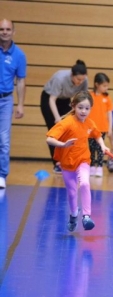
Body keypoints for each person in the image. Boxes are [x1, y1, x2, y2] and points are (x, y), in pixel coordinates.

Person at [46, 91, 110, 231]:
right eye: (80, 107)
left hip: (83, 161)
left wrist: (103, 145)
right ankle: (74, 214)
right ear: (73, 106)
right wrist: (63, 145)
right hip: (67, 164)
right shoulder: (67, 123)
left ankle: (86, 216)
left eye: (87, 108)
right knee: (72, 193)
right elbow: (49, 139)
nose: (83, 111)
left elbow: (97, 135)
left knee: (85, 183)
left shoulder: (89, 123)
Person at [41, 60, 88, 173]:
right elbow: (52, 100)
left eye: (82, 79)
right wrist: (57, 118)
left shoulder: (84, 80)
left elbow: (83, 98)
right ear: (72, 75)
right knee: (55, 132)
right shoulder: (60, 78)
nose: (80, 82)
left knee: (69, 130)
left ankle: (69, 161)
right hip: (49, 99)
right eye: (78, 79)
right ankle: (57, 163)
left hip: (65, 100)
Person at [0, 19, 26, 190]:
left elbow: (21, 81)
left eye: (8, 29)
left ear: (13, 32)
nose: (4, 32)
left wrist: (20, 104)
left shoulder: (19, 55)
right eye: (1, 29)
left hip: (6, 100)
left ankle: (1, 175)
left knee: (3, 139)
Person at [87, 73, 113, 177]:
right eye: (104, 85)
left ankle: (100, 167)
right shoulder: (90, 96)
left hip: (102, 128)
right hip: (90, 128)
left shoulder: (107, 98)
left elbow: (110, 113)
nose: (106, 88)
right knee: (91, 148)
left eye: (107, 85)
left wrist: (110, 127)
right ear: (96, 84)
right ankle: (92, 166)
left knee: (101, 148)